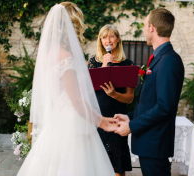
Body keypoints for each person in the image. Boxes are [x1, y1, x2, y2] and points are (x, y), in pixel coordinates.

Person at [17, 3, 118, 176]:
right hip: (72, 124)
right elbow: (77, 101)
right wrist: (102, 123)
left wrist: (101, 117)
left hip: (57, 121)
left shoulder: (50, 54)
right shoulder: (66, 56)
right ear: (72, 26)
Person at [114, 9, 185, 176]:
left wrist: (131, 126)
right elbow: (149, 102)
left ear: (152, 28)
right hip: (150, 144)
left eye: (145, 26)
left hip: (155, 144)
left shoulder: (168, 60)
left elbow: (164, 107)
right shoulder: (160, 57)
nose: (144, 30)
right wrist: (129, 117)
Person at [88, 24, 134, 176]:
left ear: (118, 39)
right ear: (100, 41)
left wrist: (115, 95)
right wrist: (104, 65)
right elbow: (88, 91)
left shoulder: (128, 65)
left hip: (117, 119)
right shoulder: (93, 63)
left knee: (117, 167)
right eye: (104, 37)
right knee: (96, 166)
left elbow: (129, 98)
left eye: (112, 36)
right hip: (99, 118)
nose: (108, 40)